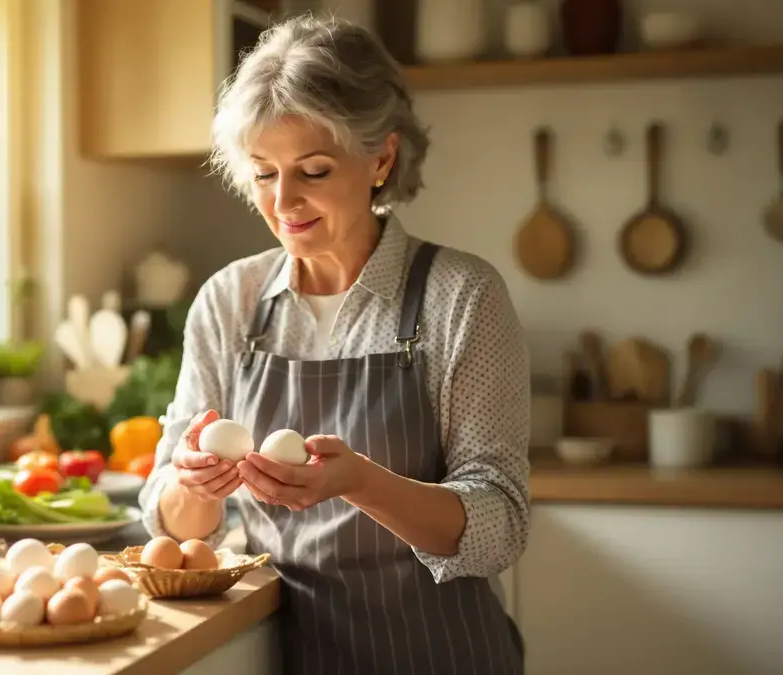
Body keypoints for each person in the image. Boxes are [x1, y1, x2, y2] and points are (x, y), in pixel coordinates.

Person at [138, 14, 530, 675]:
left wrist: (360, 482)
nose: (283, 200)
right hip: (293, 654)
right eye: (263, 173)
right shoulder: (229, 302)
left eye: (313, 170)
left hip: (439, 655)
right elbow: (174, 528)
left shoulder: (461, 296)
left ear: (381, 158)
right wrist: (194, 483)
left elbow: (499, 523)